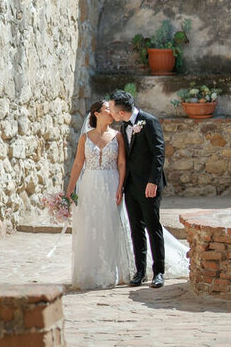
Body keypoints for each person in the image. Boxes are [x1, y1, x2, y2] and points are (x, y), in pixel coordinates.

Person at [66, 99, 134, 290]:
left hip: (111, 182)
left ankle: (114, 270)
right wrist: (70, 189)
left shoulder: (118, 136)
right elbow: (78, 163)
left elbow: (122, 164)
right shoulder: (85, 138)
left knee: (112, 223)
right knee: (91, 225)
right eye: (107, 110)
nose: (111, 113)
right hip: (90, 185)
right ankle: (91, 270)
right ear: (96, 113)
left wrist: (120, 187)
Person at [109, 88, 169, 288]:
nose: (110, 112)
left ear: (121, 111)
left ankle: (159, 272)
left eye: (111, 109)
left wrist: (153, 181)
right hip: (131, 186)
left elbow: (158, 153)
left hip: (149, 186)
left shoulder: (149, 121)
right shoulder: (123, 127)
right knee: (136, 229)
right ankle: (140, 271)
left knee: (153, 227)